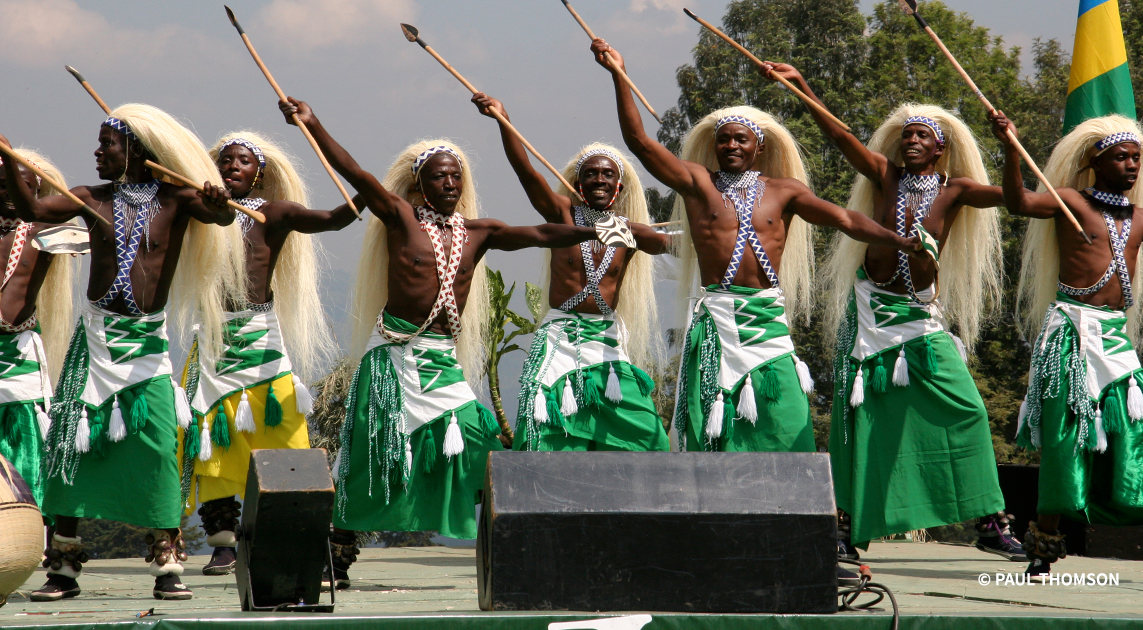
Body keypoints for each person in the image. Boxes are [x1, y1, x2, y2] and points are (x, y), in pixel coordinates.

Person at [279, 97, 614, 589]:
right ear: (419, 185)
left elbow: (542, 232)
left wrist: (595, 229)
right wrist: (314, 124)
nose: (451, 184)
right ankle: (337, 550)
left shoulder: (480, 232)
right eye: (440, 177)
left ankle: (507, 546)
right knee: (374, 457)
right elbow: (355, 172)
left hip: (441, 362)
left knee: (480, 444)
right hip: (394, 358)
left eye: (456, 176)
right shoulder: (399, 216)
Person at [592, 39, 918, 456]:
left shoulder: (785, 191)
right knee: (711, 429)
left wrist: (897, 240)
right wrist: (619, 75)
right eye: (724, 140)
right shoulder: (698, 184)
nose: (731, 146)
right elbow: (639, 142)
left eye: (740, 140)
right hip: (717, 323)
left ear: (758, 147)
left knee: (788, 420)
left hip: (766, 322)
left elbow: (846, 220)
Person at [762, 63, 1024, 562]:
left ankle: (990, 522)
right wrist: (800, 85)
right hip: (870, 313)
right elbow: (840, 136)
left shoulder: (956, 189)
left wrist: (1010, 147)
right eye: (906, 135)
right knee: (857, 419)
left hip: (920, 318)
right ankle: (845, 529)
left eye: (922, 136)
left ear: (940, 147)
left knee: (967, 409)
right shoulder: (887, 176)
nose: (911, 141)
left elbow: (1017, 201)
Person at [7, 105, 244, 601]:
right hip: (94, 343)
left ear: (135, 149)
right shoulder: (91, 197)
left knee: (158, 452)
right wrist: (7, 154)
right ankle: (63, 569)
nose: (97, 151)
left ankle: (167, 565)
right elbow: (33, 210)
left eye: (107, 144)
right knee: (72, 449)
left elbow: (222, 216)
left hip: (147, 350)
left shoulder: (177, 199)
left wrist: (220, 200)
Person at [994, 111, 1143, 582]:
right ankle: (1043, 544)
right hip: (1070, 336)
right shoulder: (1071, 201)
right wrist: (1011, 148)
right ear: (1095, 163)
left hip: (1115, 340)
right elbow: (1018, 203)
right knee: (1065, 439)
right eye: (1120, 157)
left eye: (1136, 158)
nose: (1131, 165)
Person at [177, 133, 366, 576]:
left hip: (261, 340)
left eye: (242, 161)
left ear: (258, 173)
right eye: (225, 160)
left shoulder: (273, 213)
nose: (232, 167)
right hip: (214, 343)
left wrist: (366, 191)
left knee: (288, 440)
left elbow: (335, 219)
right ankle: (223, 544)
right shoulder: (200, 210)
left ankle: (297, 535)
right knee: (210, 441)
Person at [471, 93, 671, 452]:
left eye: (607, 174)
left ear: (618, 186)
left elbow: (670, 245)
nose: (599, 179)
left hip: (606, 344)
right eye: (590, 174)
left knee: (651, 440)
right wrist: (504, 120)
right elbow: (526, 172)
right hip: (559, 341)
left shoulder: (629, 230)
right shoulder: (562, 216)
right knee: (542, 433)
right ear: (578, 184)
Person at [0, 147, 77, 512]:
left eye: (19, 187)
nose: (9, 193)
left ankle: (32, 527)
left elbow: (92, 222)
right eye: (2, 185)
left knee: (26, 455)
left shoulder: (44, 232)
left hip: (19, 358)